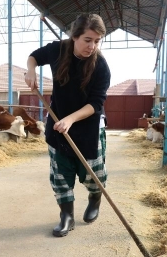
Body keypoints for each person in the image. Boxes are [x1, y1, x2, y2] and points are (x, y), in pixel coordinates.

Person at [24, 13, 111, 237]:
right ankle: (67, 216)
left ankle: (95, 198)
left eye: (97, 41)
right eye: (87, 40)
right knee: (60, 173)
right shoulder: (59, 50)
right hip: (58, 123)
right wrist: (31, 71)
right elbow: (34, 57)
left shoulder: (100, 66)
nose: (92, 46)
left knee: (93, 174)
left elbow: (96, 103)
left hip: (88, 126)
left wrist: (71, 119)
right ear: (74, 37)